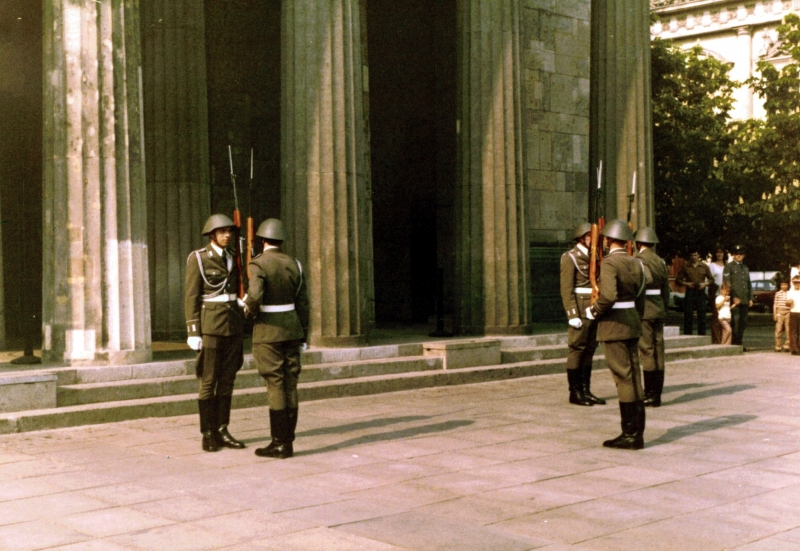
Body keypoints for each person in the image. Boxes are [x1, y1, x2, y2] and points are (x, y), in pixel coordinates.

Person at [244, 218, 310, 459]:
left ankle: (278, 442)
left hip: (268, 331)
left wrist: (246, 310)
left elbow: (255, 296)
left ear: (262, 240)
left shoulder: (258, 264)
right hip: (292, 329)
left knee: (275, 383)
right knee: (290, 382)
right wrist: (304, 332)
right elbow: (303, 303)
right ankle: (288, 441)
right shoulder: (295, 264)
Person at [184, 214, 246, 452]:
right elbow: (191, 296)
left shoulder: (233, 257)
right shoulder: (199, 258)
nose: (227, 235)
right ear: (212, 235)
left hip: (232, 325)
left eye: (229, 231)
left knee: (228, 380)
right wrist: (193, 331)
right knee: (208, 381)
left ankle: (222, 429)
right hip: (210, 328)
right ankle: (207, 432)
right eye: (222, 232)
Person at [585, 219, 646, 450]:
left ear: (608, 239)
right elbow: (640, 297)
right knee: (634, 376)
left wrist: (594, 310)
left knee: (623, 377)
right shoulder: (636, 262)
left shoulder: (610, 263)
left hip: (613, 325)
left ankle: (630, 434)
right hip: (631, 322)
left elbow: (608, 296)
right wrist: (635, 319)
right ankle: (637, 431)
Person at [559, 222, 604, 407]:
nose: (592, 239)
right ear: (581, 238)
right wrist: (572, 314)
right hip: (579, 306)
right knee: (577, 349)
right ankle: (575, 392)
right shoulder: (570, 257)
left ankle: (586, 390)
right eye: (589, 236)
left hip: (593, 307)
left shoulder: (597, 257)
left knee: (590, 349)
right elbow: (566, 289)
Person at [634, 228, 670, 408]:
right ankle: (657, 393)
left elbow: (641, 284)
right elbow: (666, 289)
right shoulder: (660, 261)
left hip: (645, 309)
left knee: (647, 350)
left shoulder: (639, 260)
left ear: (638, 243)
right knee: (658, 350)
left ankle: (650, 394)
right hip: (658, 308)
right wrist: (663, 308)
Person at [675, 250, 713, 336]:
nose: (693, 257)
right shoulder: (686, 266)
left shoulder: (704, 266)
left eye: (695, 255)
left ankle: (702, 337)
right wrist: (686, 284)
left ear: (698, 255)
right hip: (690, 292)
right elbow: (678, 280)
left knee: (702, 316)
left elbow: (711, 279)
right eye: (692, 255)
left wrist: (705, 284)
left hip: (700, 292)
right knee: (688, 316)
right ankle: (687, 336)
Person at [723, 244, 753, 347]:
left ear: (744, 255)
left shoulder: (745, 267)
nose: (739, 256)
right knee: (735, 322)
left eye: (741, 254)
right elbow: (727, 283)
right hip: (734, 299)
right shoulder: (729, 266)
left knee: (743, 323)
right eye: (736, 254)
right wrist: (734, 297)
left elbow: (748, 283)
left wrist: (750, 298)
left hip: (744, 299)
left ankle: (739, 343)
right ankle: (734, 343)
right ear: (733, 255)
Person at [708, 245, 726, 344]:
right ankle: (716, 340)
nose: (719, 254)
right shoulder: (712, 266)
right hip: (716, 295)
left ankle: (725, 340)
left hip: (726, 295)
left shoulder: (727, 266)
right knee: (716, 318)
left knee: (725, 317)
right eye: (717, 252)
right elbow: (710, 281)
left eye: (721, 252)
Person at [774, 278, 791, 352]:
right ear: (780, 285)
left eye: (785, 284)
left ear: (788, 285)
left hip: (788, 312)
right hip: (780, 313)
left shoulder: (790, 293)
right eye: (782, 285)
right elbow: (775, 304)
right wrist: (775, 314)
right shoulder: (778, 293)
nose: (784, 286)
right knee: (778, 329)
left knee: (788, 330)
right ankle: (778, 345)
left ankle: (787, 345)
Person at [787, 275, 800, 355]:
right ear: (792, 282)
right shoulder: (790, 292)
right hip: (793, 312)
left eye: (798, 282)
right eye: (795, 282)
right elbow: (787, 303)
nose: (797, 284)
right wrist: (789, 302)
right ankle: (793, 349)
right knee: (792, 331)